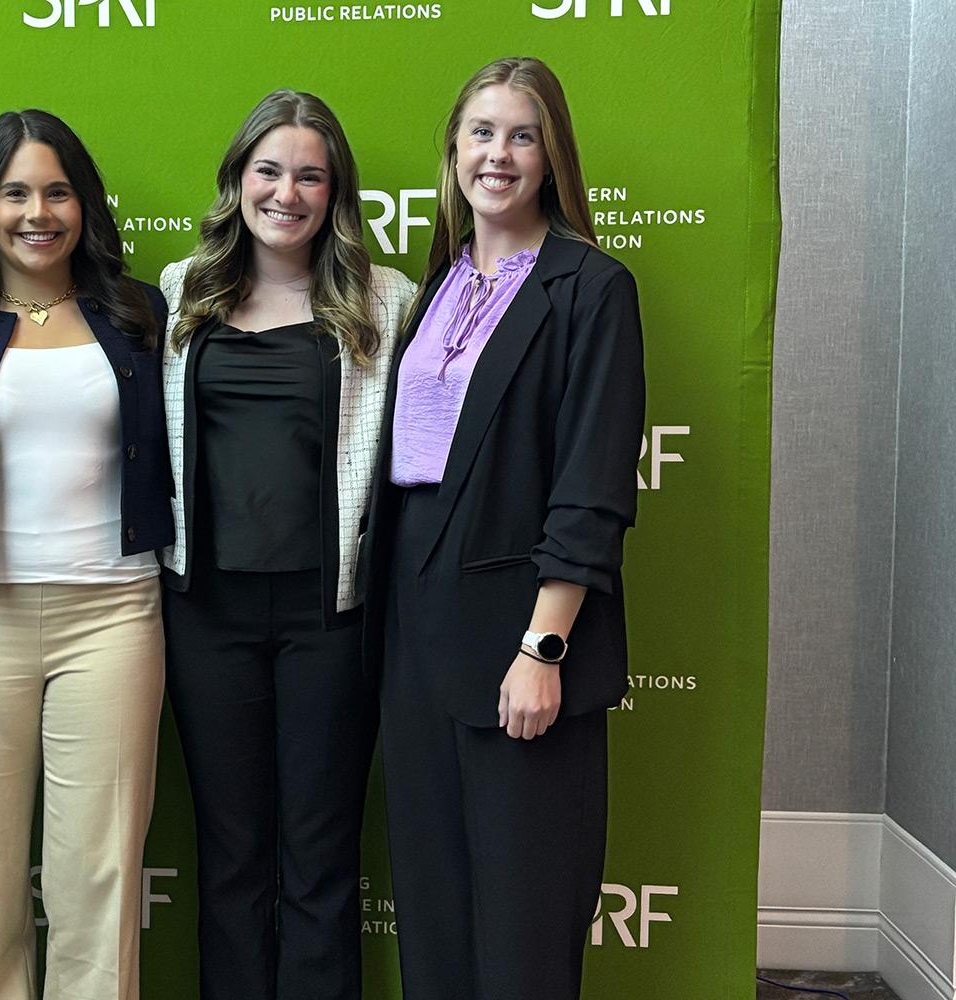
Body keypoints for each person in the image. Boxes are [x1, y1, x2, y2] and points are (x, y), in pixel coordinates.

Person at [364, 56, 646, 1000]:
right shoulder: (434, 288)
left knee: (523, 931)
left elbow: (593, 485)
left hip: (522, 644)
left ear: (552, 153)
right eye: (481, 133)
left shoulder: (590, 288)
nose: (498, 154)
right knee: (436, 923)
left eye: (521, 134)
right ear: (452, 153)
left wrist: (545, 645)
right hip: (417, 639)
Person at [0, 109, 171, 1000]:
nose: (37, 212)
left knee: (97, 876)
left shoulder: (138, 313)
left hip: (115, 615)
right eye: (15, 192)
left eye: (57, 190)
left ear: (84, 203)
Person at [157, 89, 415, 1000]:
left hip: (329, 616)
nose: (287, 193)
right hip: (205, 612)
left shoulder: (389, 301)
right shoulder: (182, 290)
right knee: (228, 853)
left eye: (310, 175)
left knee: (319, 852)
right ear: (238, 181)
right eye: (269, 170)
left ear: (335, 192)